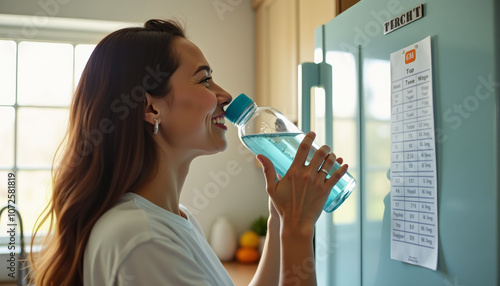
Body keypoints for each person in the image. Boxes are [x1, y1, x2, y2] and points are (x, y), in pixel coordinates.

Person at [30, 19, 348, 286]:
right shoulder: (143, 239)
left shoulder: (172, 219)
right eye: (205, 80)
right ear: (151, 107)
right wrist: (298, 232)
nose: (224, 95)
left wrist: (280, 219)